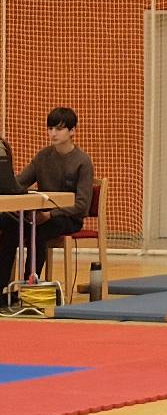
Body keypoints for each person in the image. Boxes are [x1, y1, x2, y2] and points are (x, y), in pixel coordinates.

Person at [2, 107, 93, 290]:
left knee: (39, 232)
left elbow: (82, 205)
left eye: (59, 129)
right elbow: (19, 183)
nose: (53, 133)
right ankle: (3, 287)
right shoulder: (43, 156)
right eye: (50, 128)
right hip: (40, 215)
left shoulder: (82, 161)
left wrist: (50, 214)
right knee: (10, 228)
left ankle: (29, 286)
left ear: (72, 131)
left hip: (68, 218)